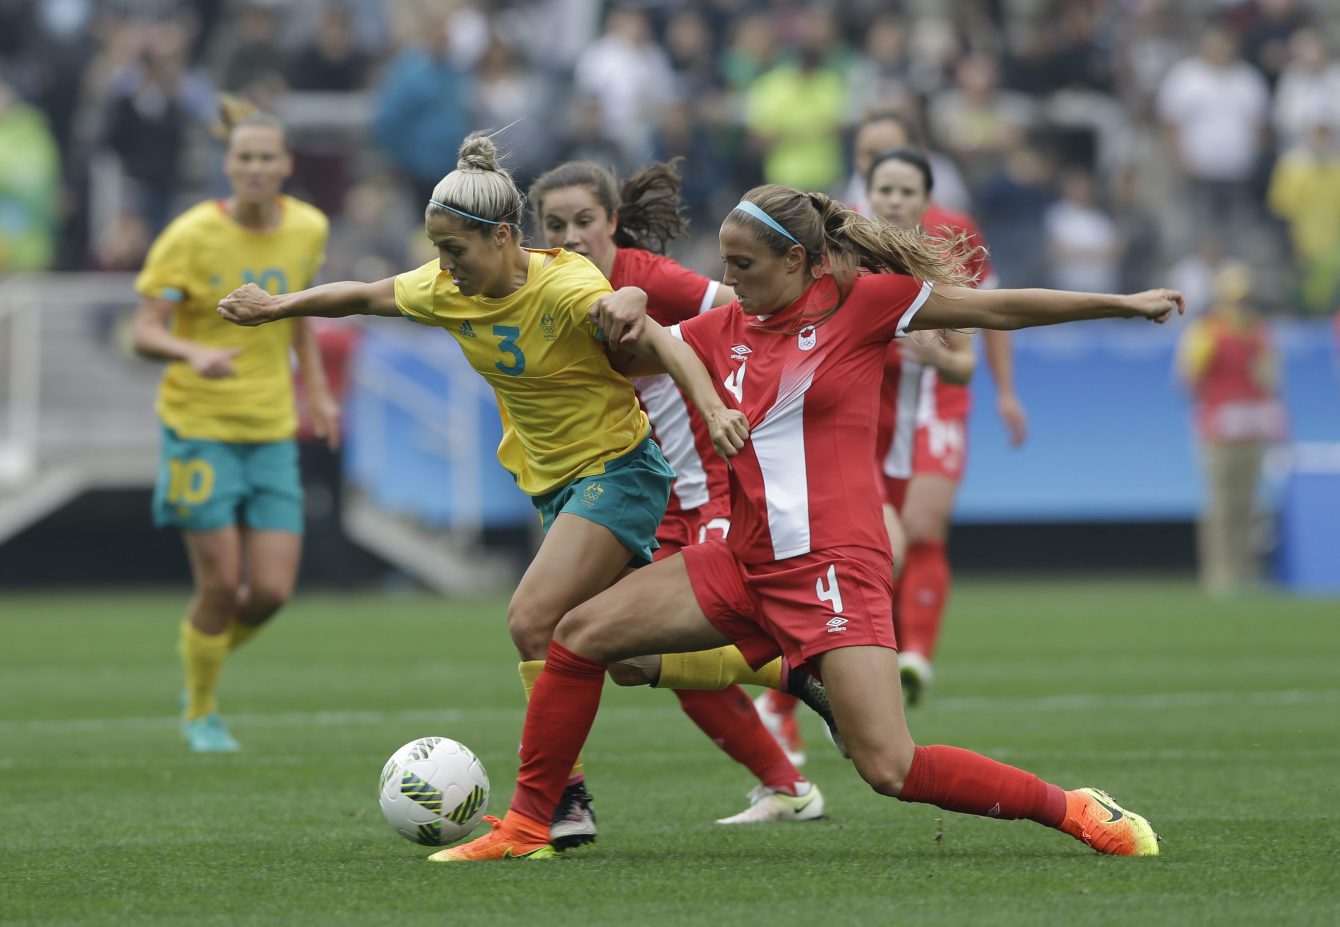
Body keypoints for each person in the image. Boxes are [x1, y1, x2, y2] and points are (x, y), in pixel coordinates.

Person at [431, 183, 1177, 862]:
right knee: (578, 636)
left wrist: (1122, 303)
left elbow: (997, 308)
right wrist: (624, 311)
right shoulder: (724, 327)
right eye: (726, 263)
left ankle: (1078, 809)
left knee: (890, 767)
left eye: (745, 264)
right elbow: (645, 351)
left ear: (796, 259)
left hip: (833, 567)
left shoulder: (863, 305)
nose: (734, 279)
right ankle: (530, 826)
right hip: (743, 563)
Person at [217, 135, 831, 847]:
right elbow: (364, 294)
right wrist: (277, 305)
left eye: (456, 250)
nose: (444, 267)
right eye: (437, 250)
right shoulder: (447, 288)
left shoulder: (570, 287)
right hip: (557, 490)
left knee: (532, 618)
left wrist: (716, 406)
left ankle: (556, 803)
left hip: (619, 472)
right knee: (627, 659)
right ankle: (789, 665)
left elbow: (668, 342)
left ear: (504, 237)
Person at [529, 158, 821, 823]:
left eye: (584, 220)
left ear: (612, 221)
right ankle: (789, 768)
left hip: (704, 496)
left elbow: (745, 308)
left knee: (637, 643)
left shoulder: (646, 277)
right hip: (641, 501)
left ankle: (798, 706)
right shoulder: (546, 286)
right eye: (554, 225)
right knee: (632, 657)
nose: (571, 236)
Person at [131, 96, 340, 753]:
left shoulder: (308, 228)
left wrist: (319, 393)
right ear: (228, 163)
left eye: (265, 157)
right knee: (220, 582)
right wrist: (194, 352)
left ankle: (206, 649)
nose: (254, 167)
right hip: (199, 424)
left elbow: (297, 313)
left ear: (285, 164)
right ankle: (200, 706)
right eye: (243, 156)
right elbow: (142, 331)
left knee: (272, 590)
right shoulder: (189, 235)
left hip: (273, 427)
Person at [1175, 262, 1286, 596]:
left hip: (1251, 428)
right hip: (1218, 429)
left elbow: (1271, 380)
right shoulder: (1206, 332)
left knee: (1249, 504)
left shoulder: (1258, 333)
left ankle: (1246, 570)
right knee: (1221, 504)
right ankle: (1220, 574)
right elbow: (1187, 379)